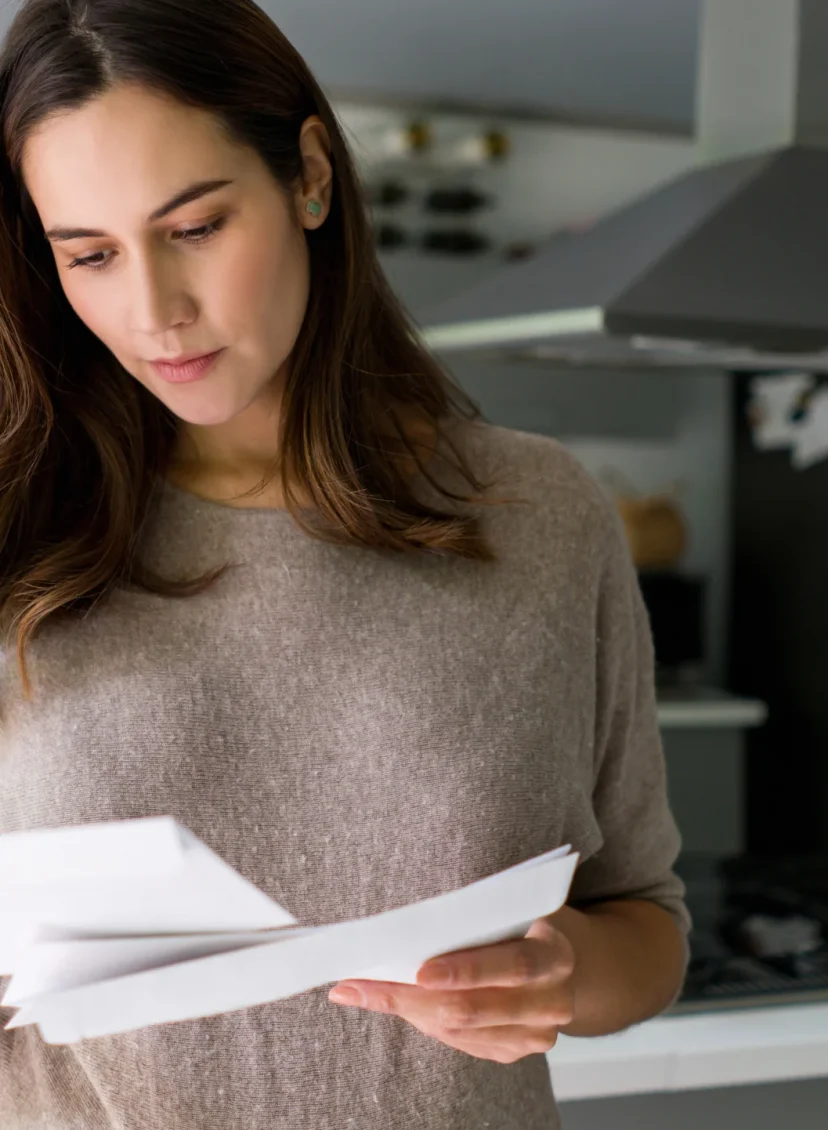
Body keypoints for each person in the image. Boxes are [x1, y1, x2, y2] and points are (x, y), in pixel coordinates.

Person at [0, 2, 690, 1128]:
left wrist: (563, 972)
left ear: (310, 176)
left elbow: (647, 925)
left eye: (196, 227)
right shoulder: (14, 526)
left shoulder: (542, 514)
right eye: (89, 254)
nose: (154, 313)